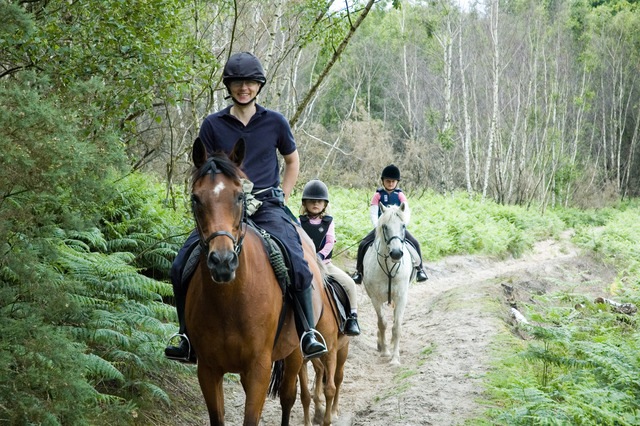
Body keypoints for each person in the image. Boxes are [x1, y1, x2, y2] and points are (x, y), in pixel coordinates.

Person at [165, 52, 327, 363]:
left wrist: (285, 193)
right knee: (179, 265)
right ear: (229, 86)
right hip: (224, 210)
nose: (244, 88)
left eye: (250, 83)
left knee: (297, 261)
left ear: (258, 86)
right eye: (238, 83)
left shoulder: (275, 122)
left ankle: (307, 332)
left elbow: (292, 161)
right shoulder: (213, 124)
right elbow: (205, 170)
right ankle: (186, 336)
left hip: (266, 205)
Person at [299, 179, 361, 336]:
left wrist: (319, 256)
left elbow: (330, 242)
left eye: (319, 201)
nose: (315, 204)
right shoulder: (299, 222)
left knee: (350, 283)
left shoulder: (328, 222)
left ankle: (352, 317)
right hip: (305, 265)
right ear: (305, 203)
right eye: (311, 201)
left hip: (325, 265)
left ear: (325, 204)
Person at [351, 165, 429, 284]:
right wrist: (378, 226)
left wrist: (402, 224)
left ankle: (420, 270)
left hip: (397, 228)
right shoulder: (378, 196)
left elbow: (406, 212)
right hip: (382, 227)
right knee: (362, 244)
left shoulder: (400, 195)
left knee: (415, 243)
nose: (391, 183)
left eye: (393, 181)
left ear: (397, 182)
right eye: (388, 181)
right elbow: (373, 213)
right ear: (383, 181)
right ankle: (359, 272)